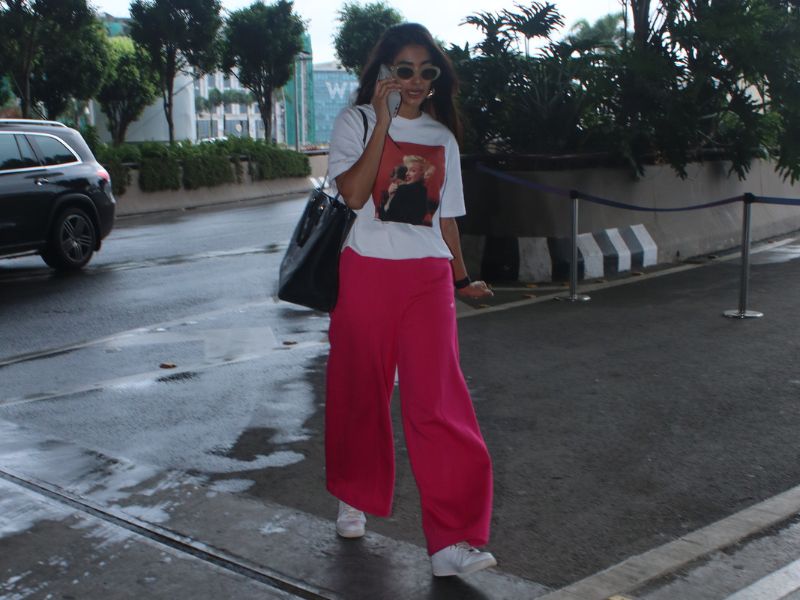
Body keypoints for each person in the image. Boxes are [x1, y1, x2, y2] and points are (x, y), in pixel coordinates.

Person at [325, 22, 496, 578]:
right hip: (365, 271)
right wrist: (382, 121)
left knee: (438, 403)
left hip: (426, 278)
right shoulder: (355, 122)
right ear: (384, 72)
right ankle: (353, 494)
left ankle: (450, 542)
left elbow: (446, 219)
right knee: (361, 390)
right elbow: (354, 195)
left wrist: (462, 280)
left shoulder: (442, 137)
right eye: (405, 70)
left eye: (427, 71)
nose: (417, 81)